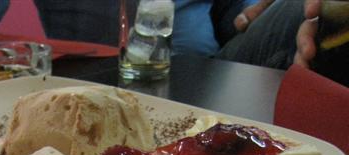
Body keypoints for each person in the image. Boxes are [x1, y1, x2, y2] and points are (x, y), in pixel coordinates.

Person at [32, 0, 319, 71]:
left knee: (312, 11)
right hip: (107, 75)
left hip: (212, 71)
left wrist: (257, 11)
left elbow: (234, 11)